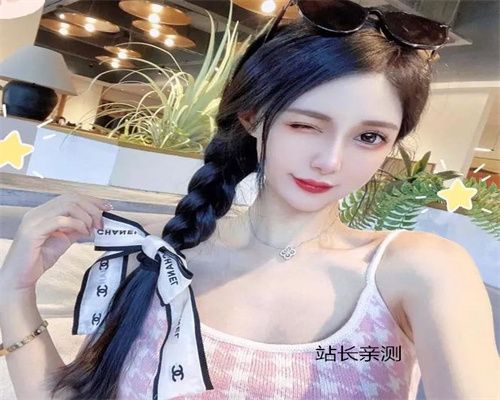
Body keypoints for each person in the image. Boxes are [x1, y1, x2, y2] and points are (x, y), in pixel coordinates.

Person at [0, 1, 498, 399]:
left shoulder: (418, 272)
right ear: (253, 118)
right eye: (305, 125)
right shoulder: (161, 261)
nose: (330, 161)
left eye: (369, 137)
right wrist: (14, 292)